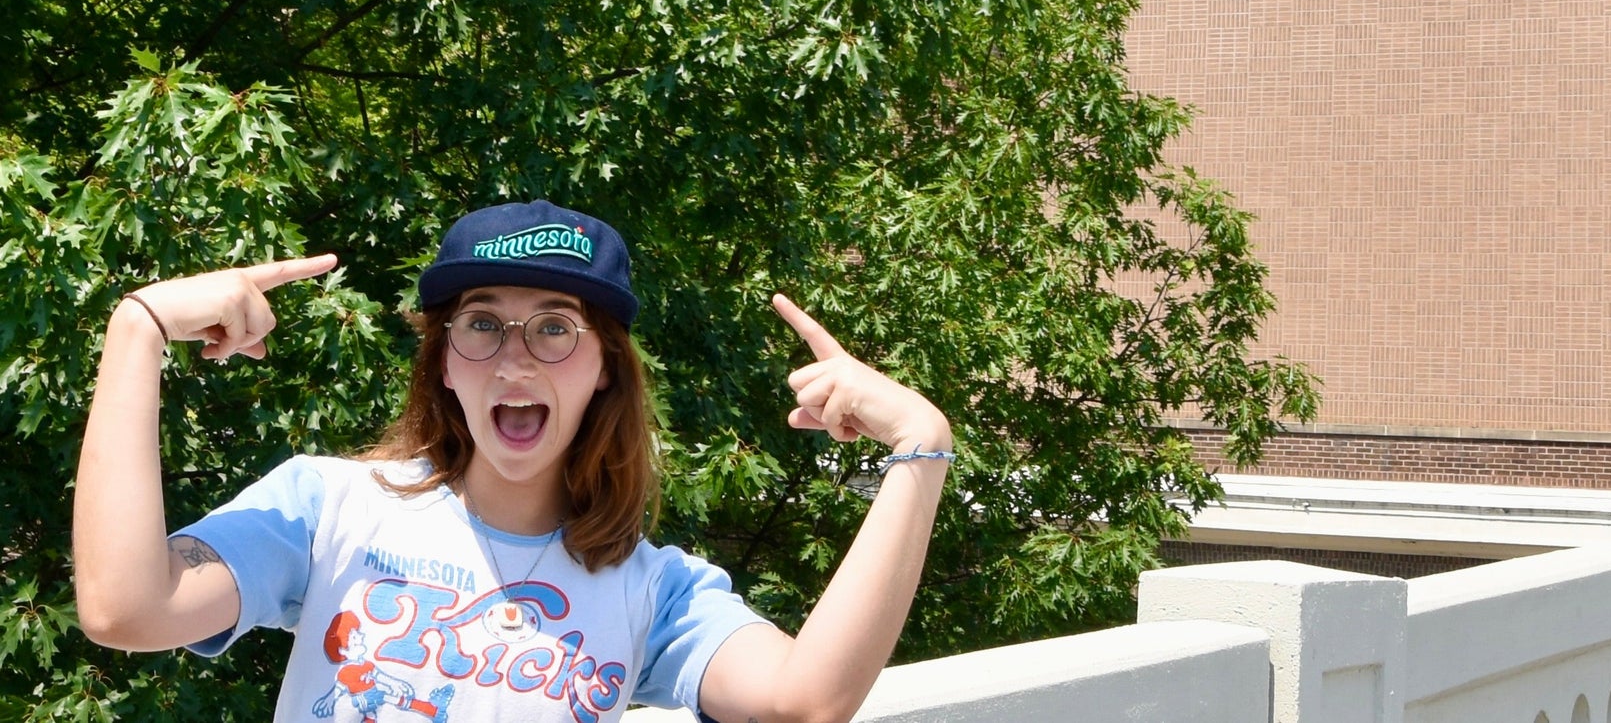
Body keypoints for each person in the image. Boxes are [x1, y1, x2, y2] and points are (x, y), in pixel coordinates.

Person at [73, 201, 955, 723]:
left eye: (557, 327)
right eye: (482, 323)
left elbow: (805, 703)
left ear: (605, 368)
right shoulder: (328, 508)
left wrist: (921, 442)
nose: (515, 358)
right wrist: (137, 328)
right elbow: (126, 608)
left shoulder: (656, 591)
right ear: (446, 364)